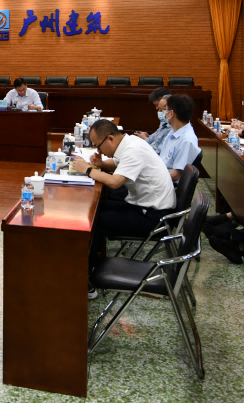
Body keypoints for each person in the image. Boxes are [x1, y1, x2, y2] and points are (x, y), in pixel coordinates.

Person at [71, 119, 176, 282]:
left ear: (110, 139)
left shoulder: (133, 149)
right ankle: (89, 265)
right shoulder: (129, 143)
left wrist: (88, 169)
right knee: (95, 208)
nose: (98, 149)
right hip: (144, 206)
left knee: (93, 221)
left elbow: (115, 182)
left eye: (98, 145)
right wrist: (101, 163)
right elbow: (118, 164)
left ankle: (86, 277)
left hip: (154, 217)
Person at [159, 94, 200, 182]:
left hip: (167, 184)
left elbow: (175, 175)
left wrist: (151, 179)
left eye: (165, 109)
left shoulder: (187, 140)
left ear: (171, 113)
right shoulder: (174, 131)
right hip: (160, 174)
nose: (163, 113)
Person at [134, 87, 172, 153]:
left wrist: (145, 139)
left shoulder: (173, 126)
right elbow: (158, 136)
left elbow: (158, 150)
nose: (157, 109)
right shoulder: (164, 121)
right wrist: (149, 137)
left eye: (160, 107)